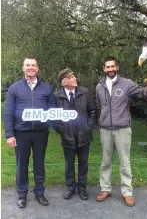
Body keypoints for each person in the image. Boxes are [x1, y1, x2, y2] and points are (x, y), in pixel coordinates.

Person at [95, 56, 147, 207]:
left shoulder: (126, 84)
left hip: (122, 129)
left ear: (117, 67)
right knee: (106, 161)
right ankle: (105, 189)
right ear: (104, 69)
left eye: (112, 66)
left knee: (124, 162)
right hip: (105, 129)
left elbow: (141, 93)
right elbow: (98, 107)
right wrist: (100, 123)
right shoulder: (99, 86)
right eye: (107, 67)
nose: (110, 69)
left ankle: (127, 192)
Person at [4, 57, 56, 208]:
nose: (30, 67)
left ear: (38, 68)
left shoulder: (46, 88)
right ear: (23, 68)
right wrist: (9, 134)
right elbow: (8, 112)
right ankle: (22, 194)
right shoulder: (14, 88)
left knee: (39, 163)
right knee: (22, 164)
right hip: (21, 133)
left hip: (41, 133)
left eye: (33, 65)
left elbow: (52, 109)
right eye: (27, 65)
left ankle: (39, 192)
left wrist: (51, 121)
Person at [54, 68, 96, 200]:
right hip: (67, 136)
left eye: (74, 76)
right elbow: (53, 116)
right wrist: (60, 130)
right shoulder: (57, 96)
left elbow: (93, 111)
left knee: (83, 162)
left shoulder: (85, 92)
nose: (75, 79)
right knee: (69, 164)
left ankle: (82, 188)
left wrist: (88, 127)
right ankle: (70, 187)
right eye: (72, 77)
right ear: (64, 81)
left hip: (84, 136)